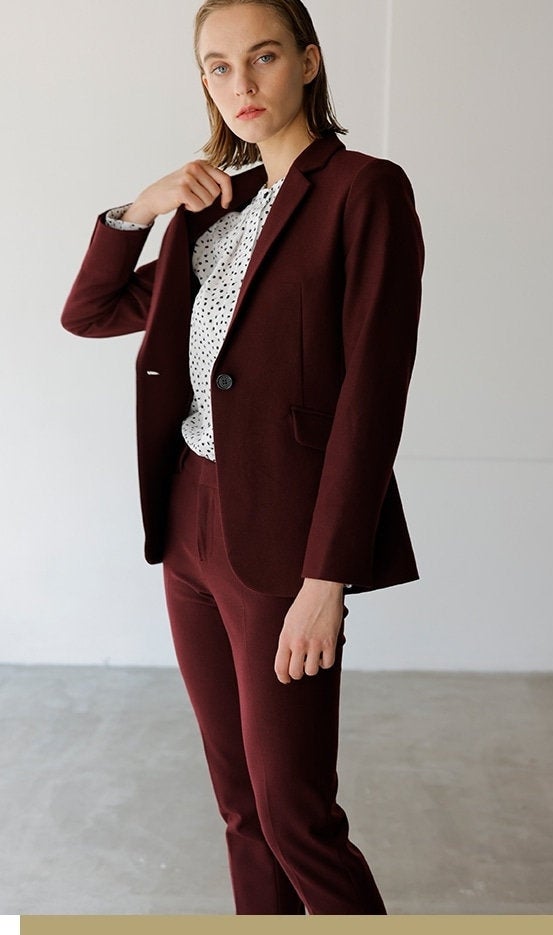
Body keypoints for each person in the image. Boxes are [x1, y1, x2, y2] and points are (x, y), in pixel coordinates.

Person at [61, 0, 424, 916]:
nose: (241, 84)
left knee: (296, 814)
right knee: (241, 810)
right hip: (188, 523)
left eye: (263, 57)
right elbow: (90, 312)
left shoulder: (364, 191)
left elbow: (371, 402)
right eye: (218, 67)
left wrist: (327, 578)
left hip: (284, 539)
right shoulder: (217, 207)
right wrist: (141, 208)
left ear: (308, 61)